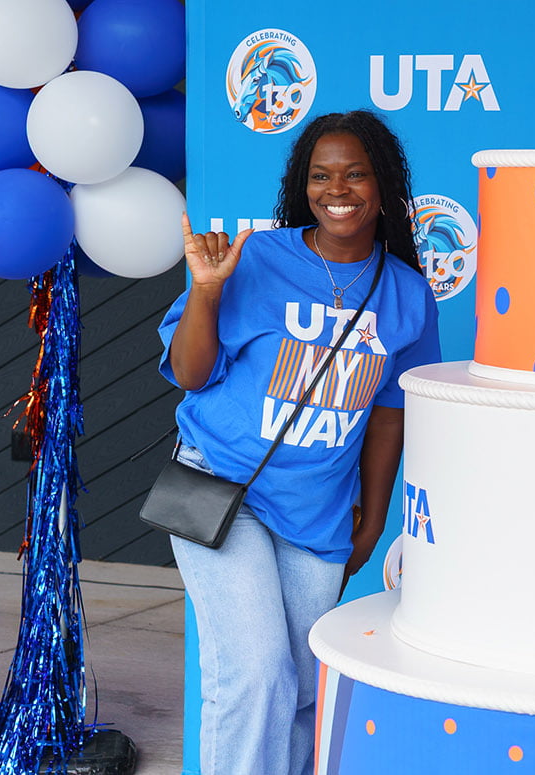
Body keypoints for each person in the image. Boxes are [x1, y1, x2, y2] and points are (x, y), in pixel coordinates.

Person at [157, 109, 440, 775]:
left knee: (305, 689)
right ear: (301, 184)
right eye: (320, 175)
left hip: (316, 513)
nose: (335, 189)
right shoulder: (257, 257)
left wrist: (371, 520)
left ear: (383, 185)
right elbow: (191, 373)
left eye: (353, 174)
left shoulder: (405, 294)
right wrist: (206, 291)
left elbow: (390, 415)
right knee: (254, 676)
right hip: (218, 485)